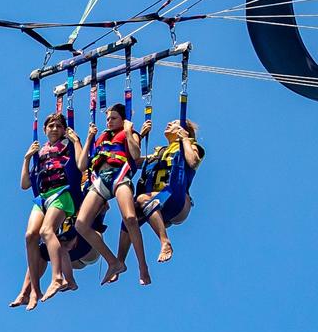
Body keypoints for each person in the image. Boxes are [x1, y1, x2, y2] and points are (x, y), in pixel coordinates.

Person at [12, 111, 82, 308]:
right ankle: (34, 291)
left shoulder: (68, 145)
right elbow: (25, 184)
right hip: (42, 196)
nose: (54, 129)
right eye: (51, 126)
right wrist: (27, 159)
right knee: (30, 236)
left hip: (62, 193)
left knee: (46, 231)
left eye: (58, 126)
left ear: (63, 130)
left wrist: (75, 141)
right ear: (44, 130)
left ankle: (57, 277)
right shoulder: (39, 153)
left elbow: (81, 165)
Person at [76, 101, 147, 286]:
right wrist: (89, 138)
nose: (109, 121)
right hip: (100, 179)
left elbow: (135, 153)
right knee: (81, 224)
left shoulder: (130, 133)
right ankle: (113, 262)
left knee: (130, 218)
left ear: (123, 119)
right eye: (107, 118)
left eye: (114, 118)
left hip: (120, 175)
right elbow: (82, 166)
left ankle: (143, 267)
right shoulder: (101, 137)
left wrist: (130, 131)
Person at [127, 119, 204, 266]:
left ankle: (165, 242)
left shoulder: (189, 146)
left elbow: (193, 162)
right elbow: (133, 161)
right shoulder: (159, 152)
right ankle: (120, 261)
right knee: (130, 212)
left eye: (174, 123)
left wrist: (185, 139)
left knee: (143, 198)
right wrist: (139, 135)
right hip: (158, 202)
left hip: (177, 200)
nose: (169, 123)